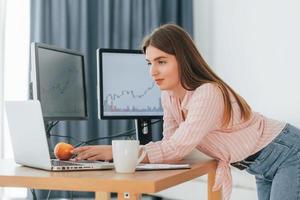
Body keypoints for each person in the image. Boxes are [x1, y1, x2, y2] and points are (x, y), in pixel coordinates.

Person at [72, 24, 300, 200]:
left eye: (161, 62)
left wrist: (116, 152)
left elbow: (176, 148)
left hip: (288, 153)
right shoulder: (169, 96)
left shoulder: (207, 93)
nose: (153, 71)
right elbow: (172, 145)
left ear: (183, 59)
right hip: (260, 165)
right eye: (149, 63)